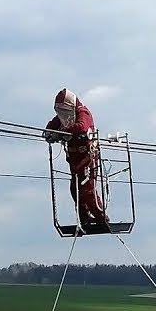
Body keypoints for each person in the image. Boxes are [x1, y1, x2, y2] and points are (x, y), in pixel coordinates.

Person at [43, 88, 109, 229]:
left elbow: (82, 126)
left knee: (88, 189)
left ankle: (101, 217)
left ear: (72, 105)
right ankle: (84, 218)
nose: (63, 113)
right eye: (59, 110)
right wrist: (49, 133)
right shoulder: (62, 117)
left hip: (87, 157)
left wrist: (61, 133)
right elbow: (51, 125)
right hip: (74, 160)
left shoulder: (83, 113)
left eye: (65, 109)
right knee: (75, 189)